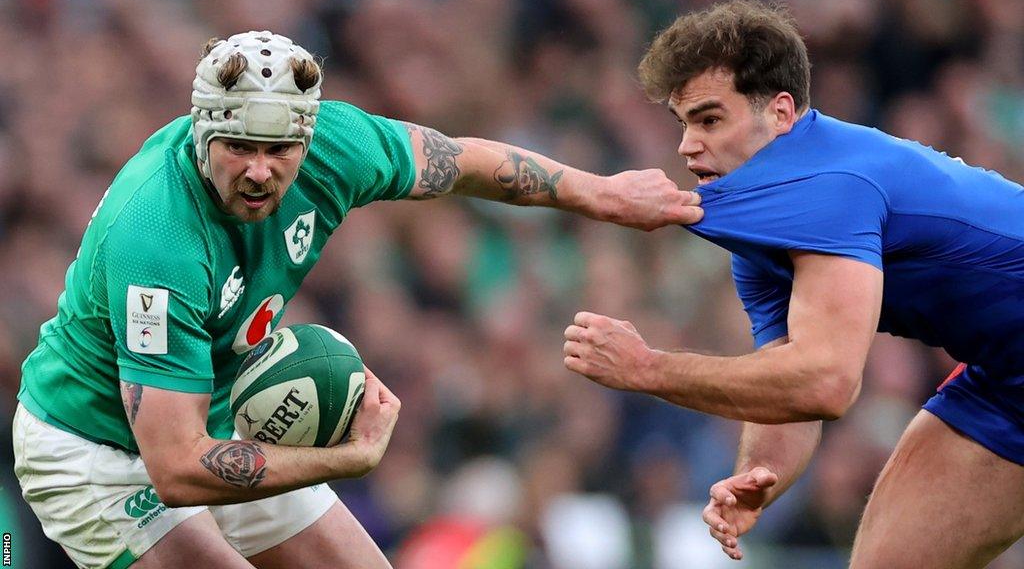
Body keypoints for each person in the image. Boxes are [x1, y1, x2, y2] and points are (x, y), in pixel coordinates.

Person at [12, 31, 702, 569]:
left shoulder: (335, 144)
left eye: (278, 148)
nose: (259, 169)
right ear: (202, 131)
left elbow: (461, 161)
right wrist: (344, 460)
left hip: (211, 417)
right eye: (238, 146)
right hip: (93, 451)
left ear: (306, 139)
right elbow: (178, 469)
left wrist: (600, 194)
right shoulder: (157, 237)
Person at [562, 0, 1024, 569]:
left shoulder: (827, 186)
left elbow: (827, 382)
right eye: (682, 124)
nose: (686, 145)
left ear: (781, 113)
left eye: (709, 120)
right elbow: (791, 376)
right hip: (1007, 383)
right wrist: (762, 477)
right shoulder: (766, 231)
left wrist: (648, 368)